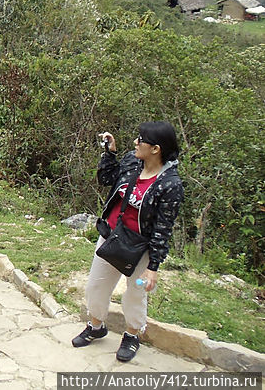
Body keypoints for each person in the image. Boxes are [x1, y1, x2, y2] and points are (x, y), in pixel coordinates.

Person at [72, 121, 184, 363]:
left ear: (155, 149)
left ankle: (132, 335)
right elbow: (106, 179)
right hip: (111, 237)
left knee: (135, 293)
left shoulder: (170, 185)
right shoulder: (133, 162)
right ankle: (95, 326)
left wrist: (153, 267)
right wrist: (109, 152)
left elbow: (162, 230)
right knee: (96, 286)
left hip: (140, 249)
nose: (135, 142)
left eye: (140, 139)